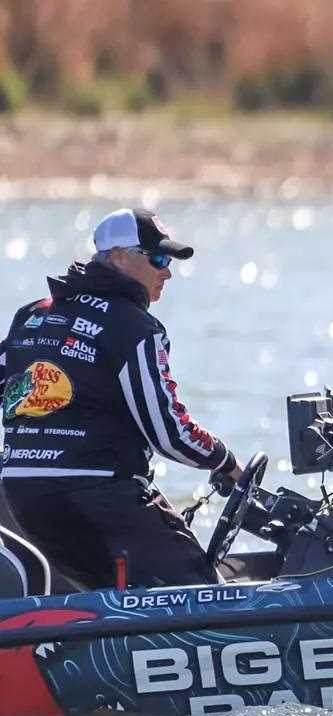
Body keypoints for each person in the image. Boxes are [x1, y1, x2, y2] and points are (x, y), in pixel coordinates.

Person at [0, 208, 242, 590]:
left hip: (21, 495)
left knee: (112, 585)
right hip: (97, 495)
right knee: (203, 588)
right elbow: (170, 434)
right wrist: (226, 462)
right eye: (158, 259)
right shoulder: (135, 328)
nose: (167, 272)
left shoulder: (33, 315)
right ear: (117, 257)